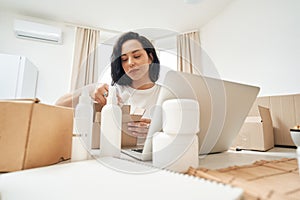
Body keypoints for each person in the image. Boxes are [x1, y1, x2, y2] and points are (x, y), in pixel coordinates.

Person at [55, 31, 161, 138]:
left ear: (150, 58)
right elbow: (59, 105)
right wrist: (90, 91)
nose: (130, 63)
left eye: (137, 56)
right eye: (124, 59)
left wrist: (158, 131)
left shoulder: (165, 95)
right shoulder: (112, 93)